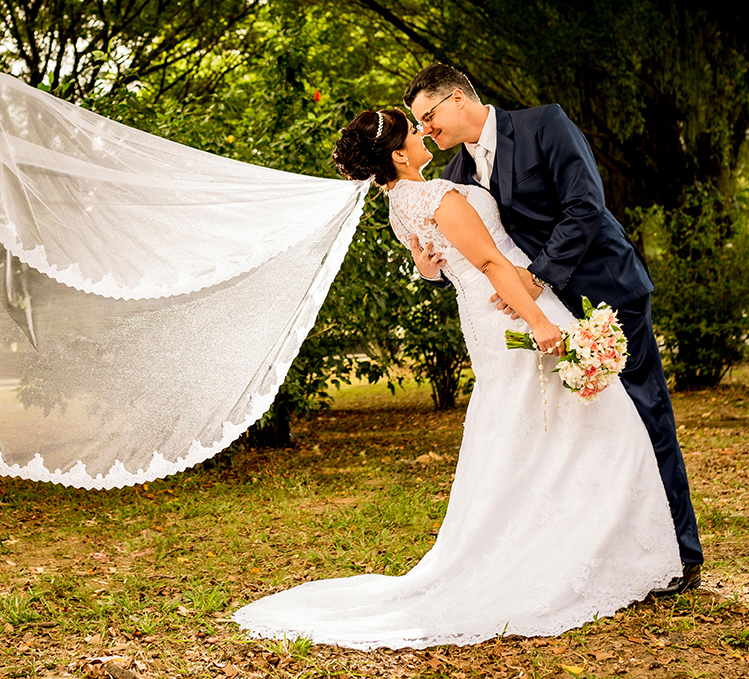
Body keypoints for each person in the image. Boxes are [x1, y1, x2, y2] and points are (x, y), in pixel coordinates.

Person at [232, 108, 681, 650]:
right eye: (413, 130)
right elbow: (492, 262)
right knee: (596, 424)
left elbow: (432, 267)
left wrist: (430, 264)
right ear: (398, 155)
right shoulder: (439, 196)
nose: (424, 134)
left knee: (539, 433)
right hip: (513, 310)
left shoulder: (400, 205)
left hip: (484, 323)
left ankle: (584, 542)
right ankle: (597, 551)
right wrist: (539, 323)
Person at [404, 64, 701, 593]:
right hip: (548, 320)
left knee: (644, 413)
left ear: (456, 99)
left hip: (607, 288)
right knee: (588, 436)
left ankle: (680, 552)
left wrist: (538, 277)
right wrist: (428, 266)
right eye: (417, 125)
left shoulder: (546, 125)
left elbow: (586, 205)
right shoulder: (454, 177)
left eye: (427, 117)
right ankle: (616, 552)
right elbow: (471, 257)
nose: (425, 130)